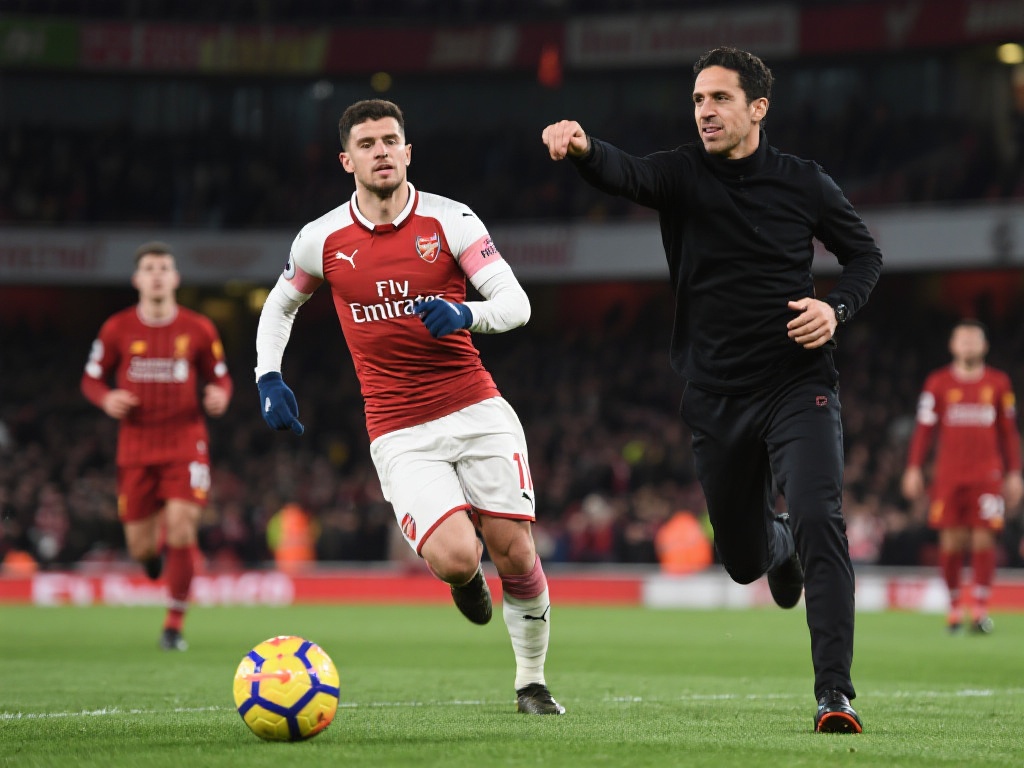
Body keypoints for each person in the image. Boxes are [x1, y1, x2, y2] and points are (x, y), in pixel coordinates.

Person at [542, 47, 882, 733]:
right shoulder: (681, 174)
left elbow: (865, 255)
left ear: (758, 107)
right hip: (717, 396)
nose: (705, 111)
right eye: (698, 99)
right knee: (744, 561)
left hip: (797, 382)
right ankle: (778, 548)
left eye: (720, 98)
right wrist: (583, 148)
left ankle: (834, 694)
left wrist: (835, 308)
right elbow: (627, 172)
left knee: (820, 516)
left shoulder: (804, 182)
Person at [254, 99, 564, 715]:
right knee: (457, 558)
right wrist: (268, 375)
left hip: (475, 408)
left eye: (391, 140)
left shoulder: (451, 220)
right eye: (367, 144)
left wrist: (465, 312)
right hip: (398, 428)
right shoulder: (321, 239)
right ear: (347, 161)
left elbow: (516, 305)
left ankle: (531, 683)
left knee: (516, 551)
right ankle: (466, 581)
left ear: (408, 151)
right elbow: (280, 305)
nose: (382, 152)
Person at [81, 241, 233, 651]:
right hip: (135, 448)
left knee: (182, 527)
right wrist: (106, 399)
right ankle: (152, 558)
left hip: (185, 442)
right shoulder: (117, 329)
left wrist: (220, 395)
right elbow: (91, 378)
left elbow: (220, 377)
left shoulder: (199, 329)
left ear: (175, 277)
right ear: (137, 279)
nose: (157, 275)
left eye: (164, 268)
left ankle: (173, 625)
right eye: (149, 269)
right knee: (141, 546)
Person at [901, 319, 1023, 634]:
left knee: (984, 537)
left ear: (984, 346)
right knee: (951, 540)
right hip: (949, 476)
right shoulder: (938, 383)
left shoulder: (998, 383)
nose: (968, 344)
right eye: (963, 339)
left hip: (987, 475)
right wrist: (913, 467)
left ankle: (980, 610)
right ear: (953, 345)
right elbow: (924, 429)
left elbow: (1009, 432)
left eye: (973, 339)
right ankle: (955, 608)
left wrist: (1014, 473)